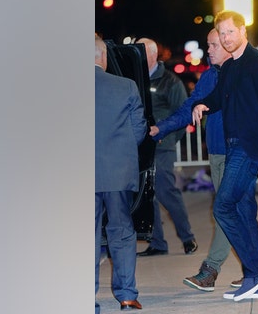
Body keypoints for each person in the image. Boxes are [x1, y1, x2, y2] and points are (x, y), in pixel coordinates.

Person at [149, 28, 258, 292]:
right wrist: (160, 129)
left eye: (215, 43)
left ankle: (212, 269)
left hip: (237, 154)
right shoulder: (211, 76)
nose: (210, 49)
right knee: (243, 212)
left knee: (226, 209)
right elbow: (191, 107)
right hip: (220, 153)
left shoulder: (249, 68)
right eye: (211, 43)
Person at [192, 10, 258, 302]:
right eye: (222, 33)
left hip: (250, 147)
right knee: (242, 211)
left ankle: (257, 270)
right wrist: (203, 105)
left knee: (223, 207)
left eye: (230, 32)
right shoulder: (230, 66)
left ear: (243, 31)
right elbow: (219, 97)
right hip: (233, 147)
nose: (226, 38)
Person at [95, 34, 146, 312]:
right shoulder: (126, 86)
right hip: (117, 172)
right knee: (122, 233)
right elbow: (138, 130)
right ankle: (126, 296)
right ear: (103, 57)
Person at [134, 38, 199, 256]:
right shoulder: (134, 80)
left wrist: (167, 139)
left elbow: (182, 116)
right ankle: (158, 242)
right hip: (140, 146)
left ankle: (188, 237)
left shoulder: (170, 81)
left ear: (153, 55)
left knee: (165, 190)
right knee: (147, 194)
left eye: (140, 51)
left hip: (162, 146)